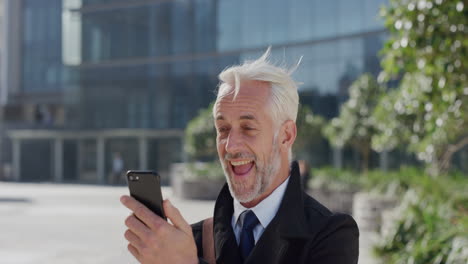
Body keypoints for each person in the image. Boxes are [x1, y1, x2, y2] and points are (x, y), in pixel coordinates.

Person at [120, 49, 359, 264]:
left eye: (248, 128)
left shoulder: (332, 235)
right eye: (223, 129)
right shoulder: (190, 242)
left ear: (286, 135)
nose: (231, 146)